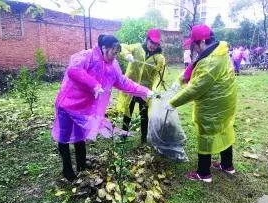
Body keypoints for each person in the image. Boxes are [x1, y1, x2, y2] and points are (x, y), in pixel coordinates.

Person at [52, 34, 156, 181]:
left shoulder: (112, 65)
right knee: (64, 136)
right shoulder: (87, 56)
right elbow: (74, 71)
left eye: (116, 53)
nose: (114, 56)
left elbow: (123, 82)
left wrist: (146, 91)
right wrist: (93, 85)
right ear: (104, 48)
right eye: (112, 52)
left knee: (81, 136)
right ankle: (67, 170)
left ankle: (81, 165)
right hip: (68, 103)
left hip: (84, 108)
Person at [167, 25, 237, 183]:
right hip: (226, 101)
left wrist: (173, 103)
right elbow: (194, 65)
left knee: (205, 133)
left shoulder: (211, 62)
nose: (194, 48)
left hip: (212, 105)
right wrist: (180, 80)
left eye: (195, 45)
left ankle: (203, 173)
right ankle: (227, 165)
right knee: (224, 129)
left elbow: (195, 89)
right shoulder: (218, 51)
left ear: (203, 41)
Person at [117, 28, 166, 145]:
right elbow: (121, 47)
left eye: (156, 44)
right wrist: (127, 55)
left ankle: (144, 138)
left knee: (144, 114)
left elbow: (159, 76)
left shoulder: (159, 58)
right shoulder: (138, 48)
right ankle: (123, 135)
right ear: (147, 40)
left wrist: (154, 90)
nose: (153, 46)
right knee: (127, 111)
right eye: (151, 42)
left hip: (145, 90)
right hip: (130, 86)